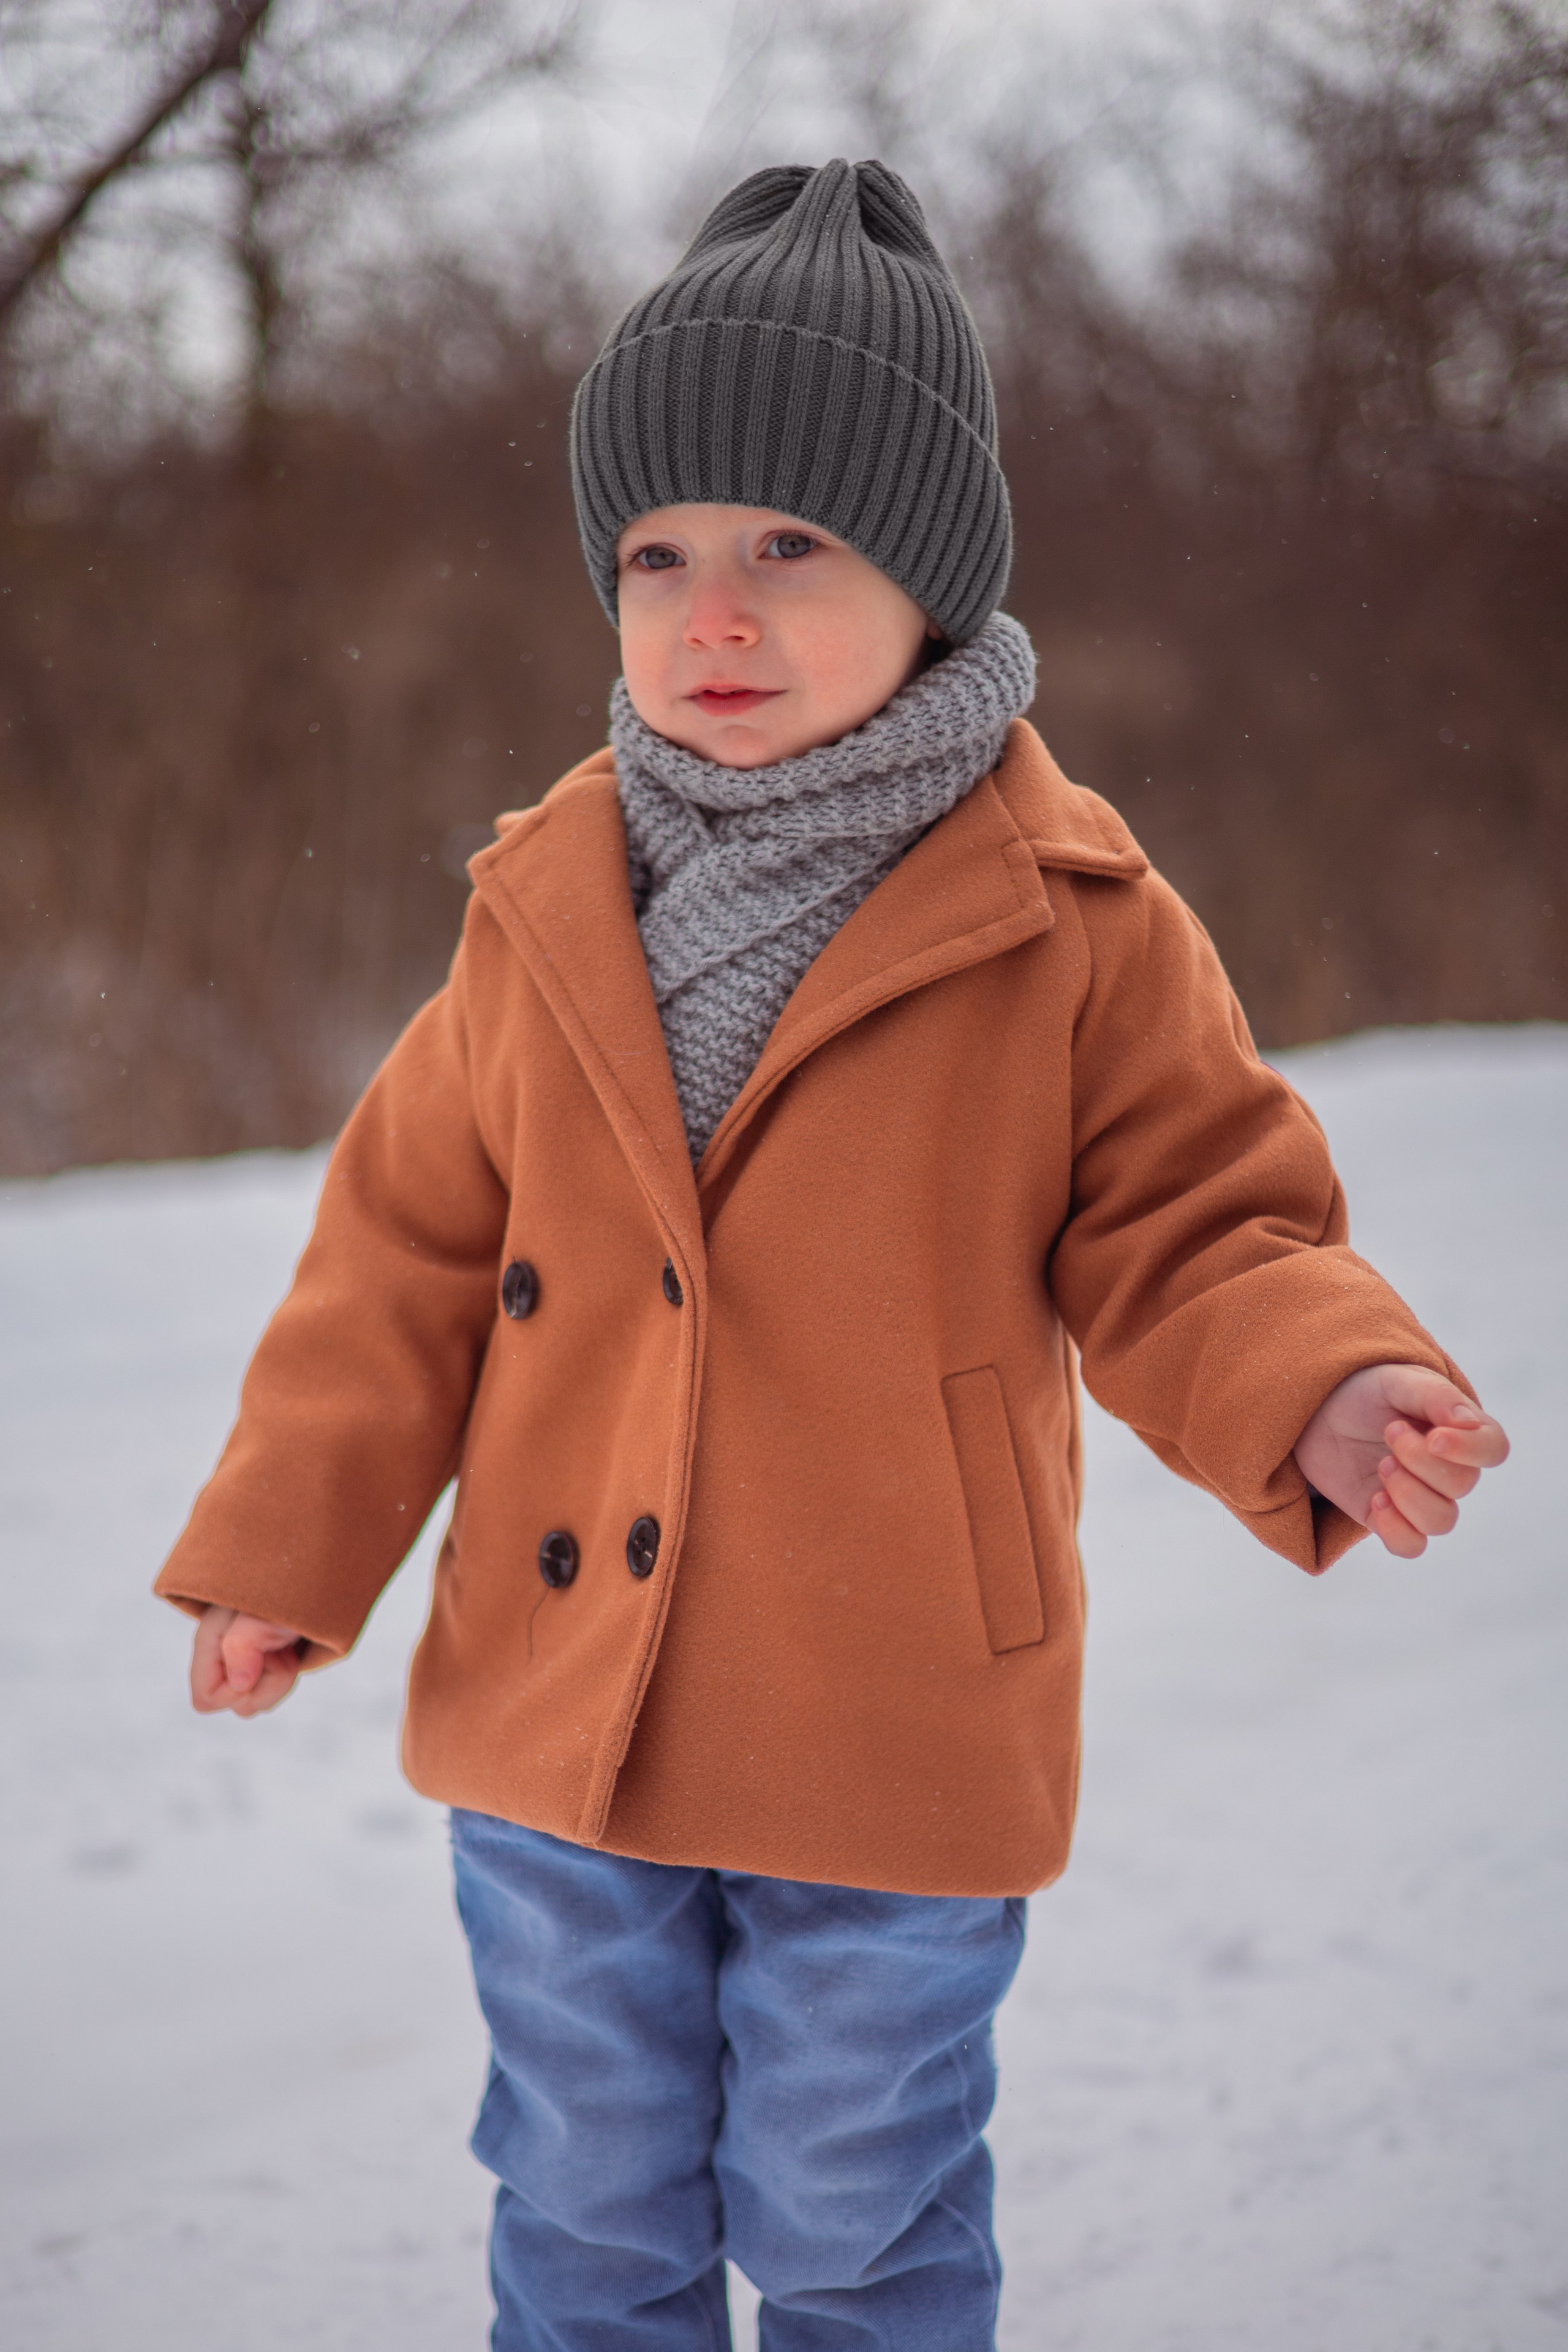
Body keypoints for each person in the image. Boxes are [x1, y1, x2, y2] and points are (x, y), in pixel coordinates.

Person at [156, 159, 1509, 2351]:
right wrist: (282, 1551)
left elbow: (1200, 1219)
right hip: (559, 1693)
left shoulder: (1066, 916)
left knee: (856, 2211)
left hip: (893, 1705)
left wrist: (1324, 1389)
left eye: (795, 546)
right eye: (659, 554)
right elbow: (398, 1259)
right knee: (586, 2207)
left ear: (935, 583)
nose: (716, 612)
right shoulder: (543, 903)